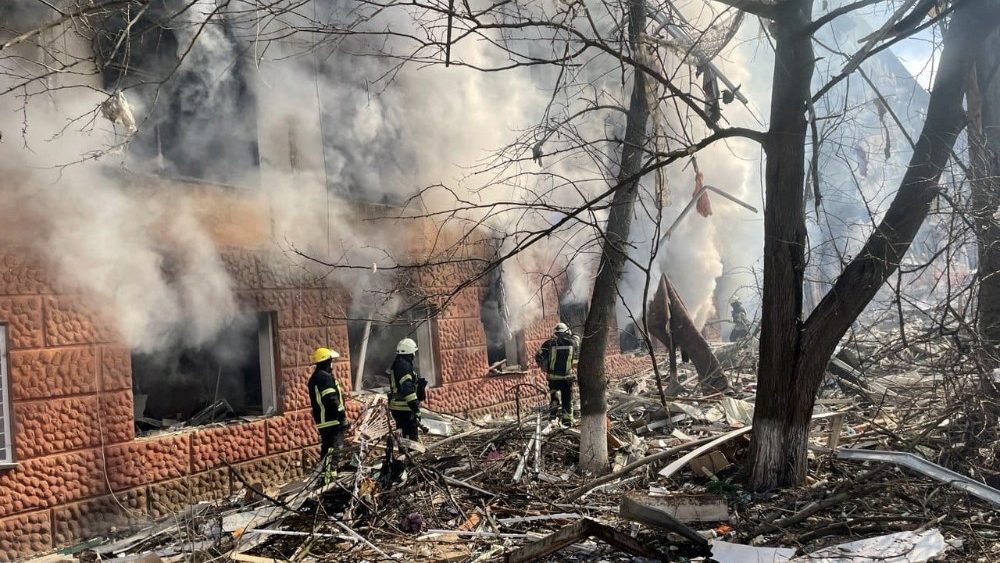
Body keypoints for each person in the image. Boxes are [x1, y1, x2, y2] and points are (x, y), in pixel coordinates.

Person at [308, 347, 348, 485]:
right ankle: (329, 481)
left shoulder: (315, 378)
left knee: (327, 449)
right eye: (331, 361)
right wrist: (341, 414)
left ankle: (325, 479)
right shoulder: (324, 377)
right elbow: (331, 398)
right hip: (331, 420)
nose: (332, 364)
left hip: (323, 421)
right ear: (327, 362)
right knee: (334, 451)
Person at [535, 322, 581, 426]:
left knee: (554, 398)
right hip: (566, 377)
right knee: (567, 399)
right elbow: (577, 339)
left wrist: (544, 367)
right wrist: (572, 334)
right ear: (566, 332)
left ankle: (552, 419)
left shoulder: (549, 343)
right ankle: (567, 421)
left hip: (552, 377)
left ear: (556, 332)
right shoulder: (572, 342)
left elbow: (538, 356)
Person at [389, 338, 426, 441]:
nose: (414, 355)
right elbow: (407, 389)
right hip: (405, 408)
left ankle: (404, 454)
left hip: (398, 407)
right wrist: (415, 408)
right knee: (410, 438)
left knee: (403, 437)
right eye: (414, 352)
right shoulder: (404, 366)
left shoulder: (398, 363)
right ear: (410, 353)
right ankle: (410, 455)